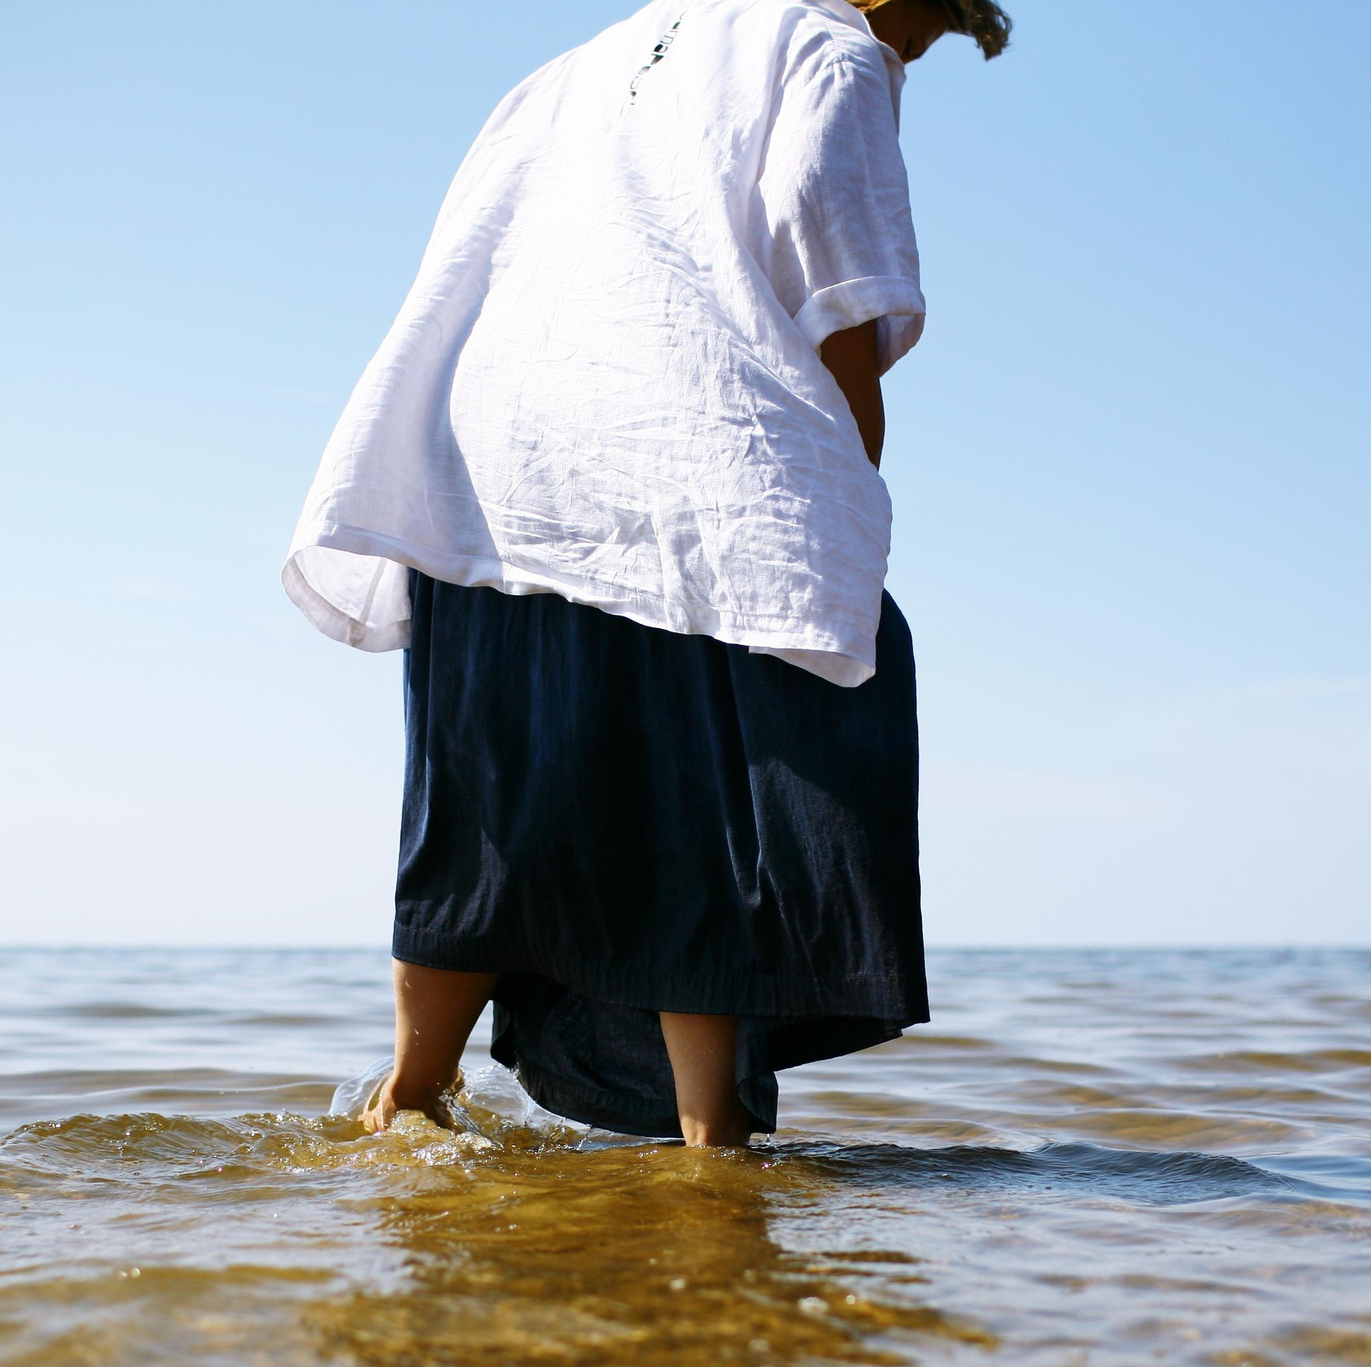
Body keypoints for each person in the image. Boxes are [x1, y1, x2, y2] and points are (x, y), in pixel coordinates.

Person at [280, 0, 1011, 1146]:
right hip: (686, 457)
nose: (909, 58)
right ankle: (711, 1145)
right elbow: (840, 286)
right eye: (922, 32)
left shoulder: (569, 66)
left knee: (484, 811)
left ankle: (407, 1102)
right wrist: (846, 495)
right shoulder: (829, 48)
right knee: (707, 817)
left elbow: (470, 257)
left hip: (485, 468)